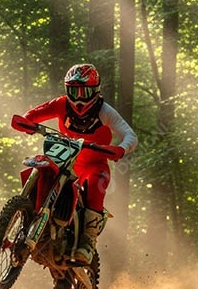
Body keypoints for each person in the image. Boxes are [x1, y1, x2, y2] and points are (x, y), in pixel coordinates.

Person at [15, 63, 138, 263]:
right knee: (42, 168)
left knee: (96, 186)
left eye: (85, 92)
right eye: (74, 91)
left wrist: (121, 148)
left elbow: (129, 135)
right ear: (67, 90)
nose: (79, 98)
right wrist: (26, 123)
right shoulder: (60, 104)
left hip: (95, 165)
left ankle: (88, 241)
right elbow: (32, 115)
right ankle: (29, 217)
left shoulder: (105, 111)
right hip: (64, 160)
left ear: (95, 91)